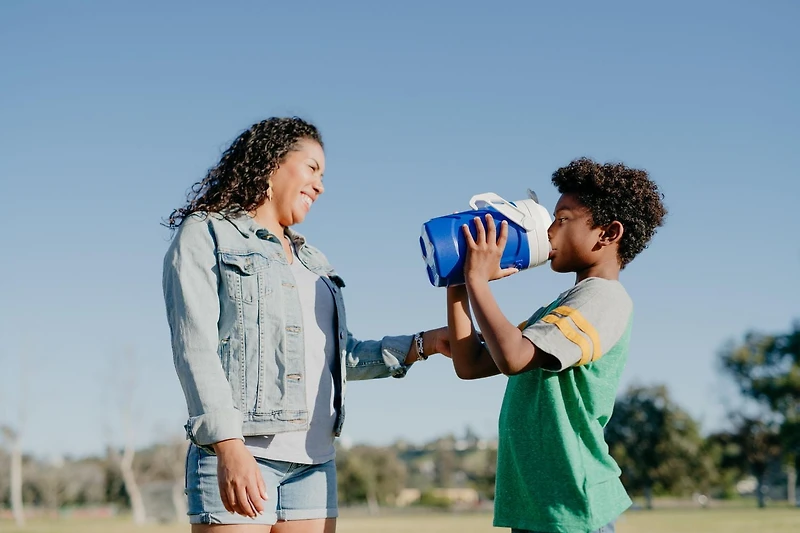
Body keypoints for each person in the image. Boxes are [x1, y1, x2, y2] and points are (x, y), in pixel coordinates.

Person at [162, 116, 449, 532]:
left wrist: (423, 343)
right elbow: (196, 349)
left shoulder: (314, 261)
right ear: (272, 162)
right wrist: (228, 447)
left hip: (315, 464)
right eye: (312, 168)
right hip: (244, 451)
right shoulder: (206, 233)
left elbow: (338, 356)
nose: (320, 185)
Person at [447, 157, 667, 533]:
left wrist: (479, 282)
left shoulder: (604, 298)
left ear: (608, 233)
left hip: (572, 506)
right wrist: (460, 282)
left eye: (562, 219)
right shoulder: (557, 310)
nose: (548, 230)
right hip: (538, 505)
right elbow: (471, 364)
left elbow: (513, 357)